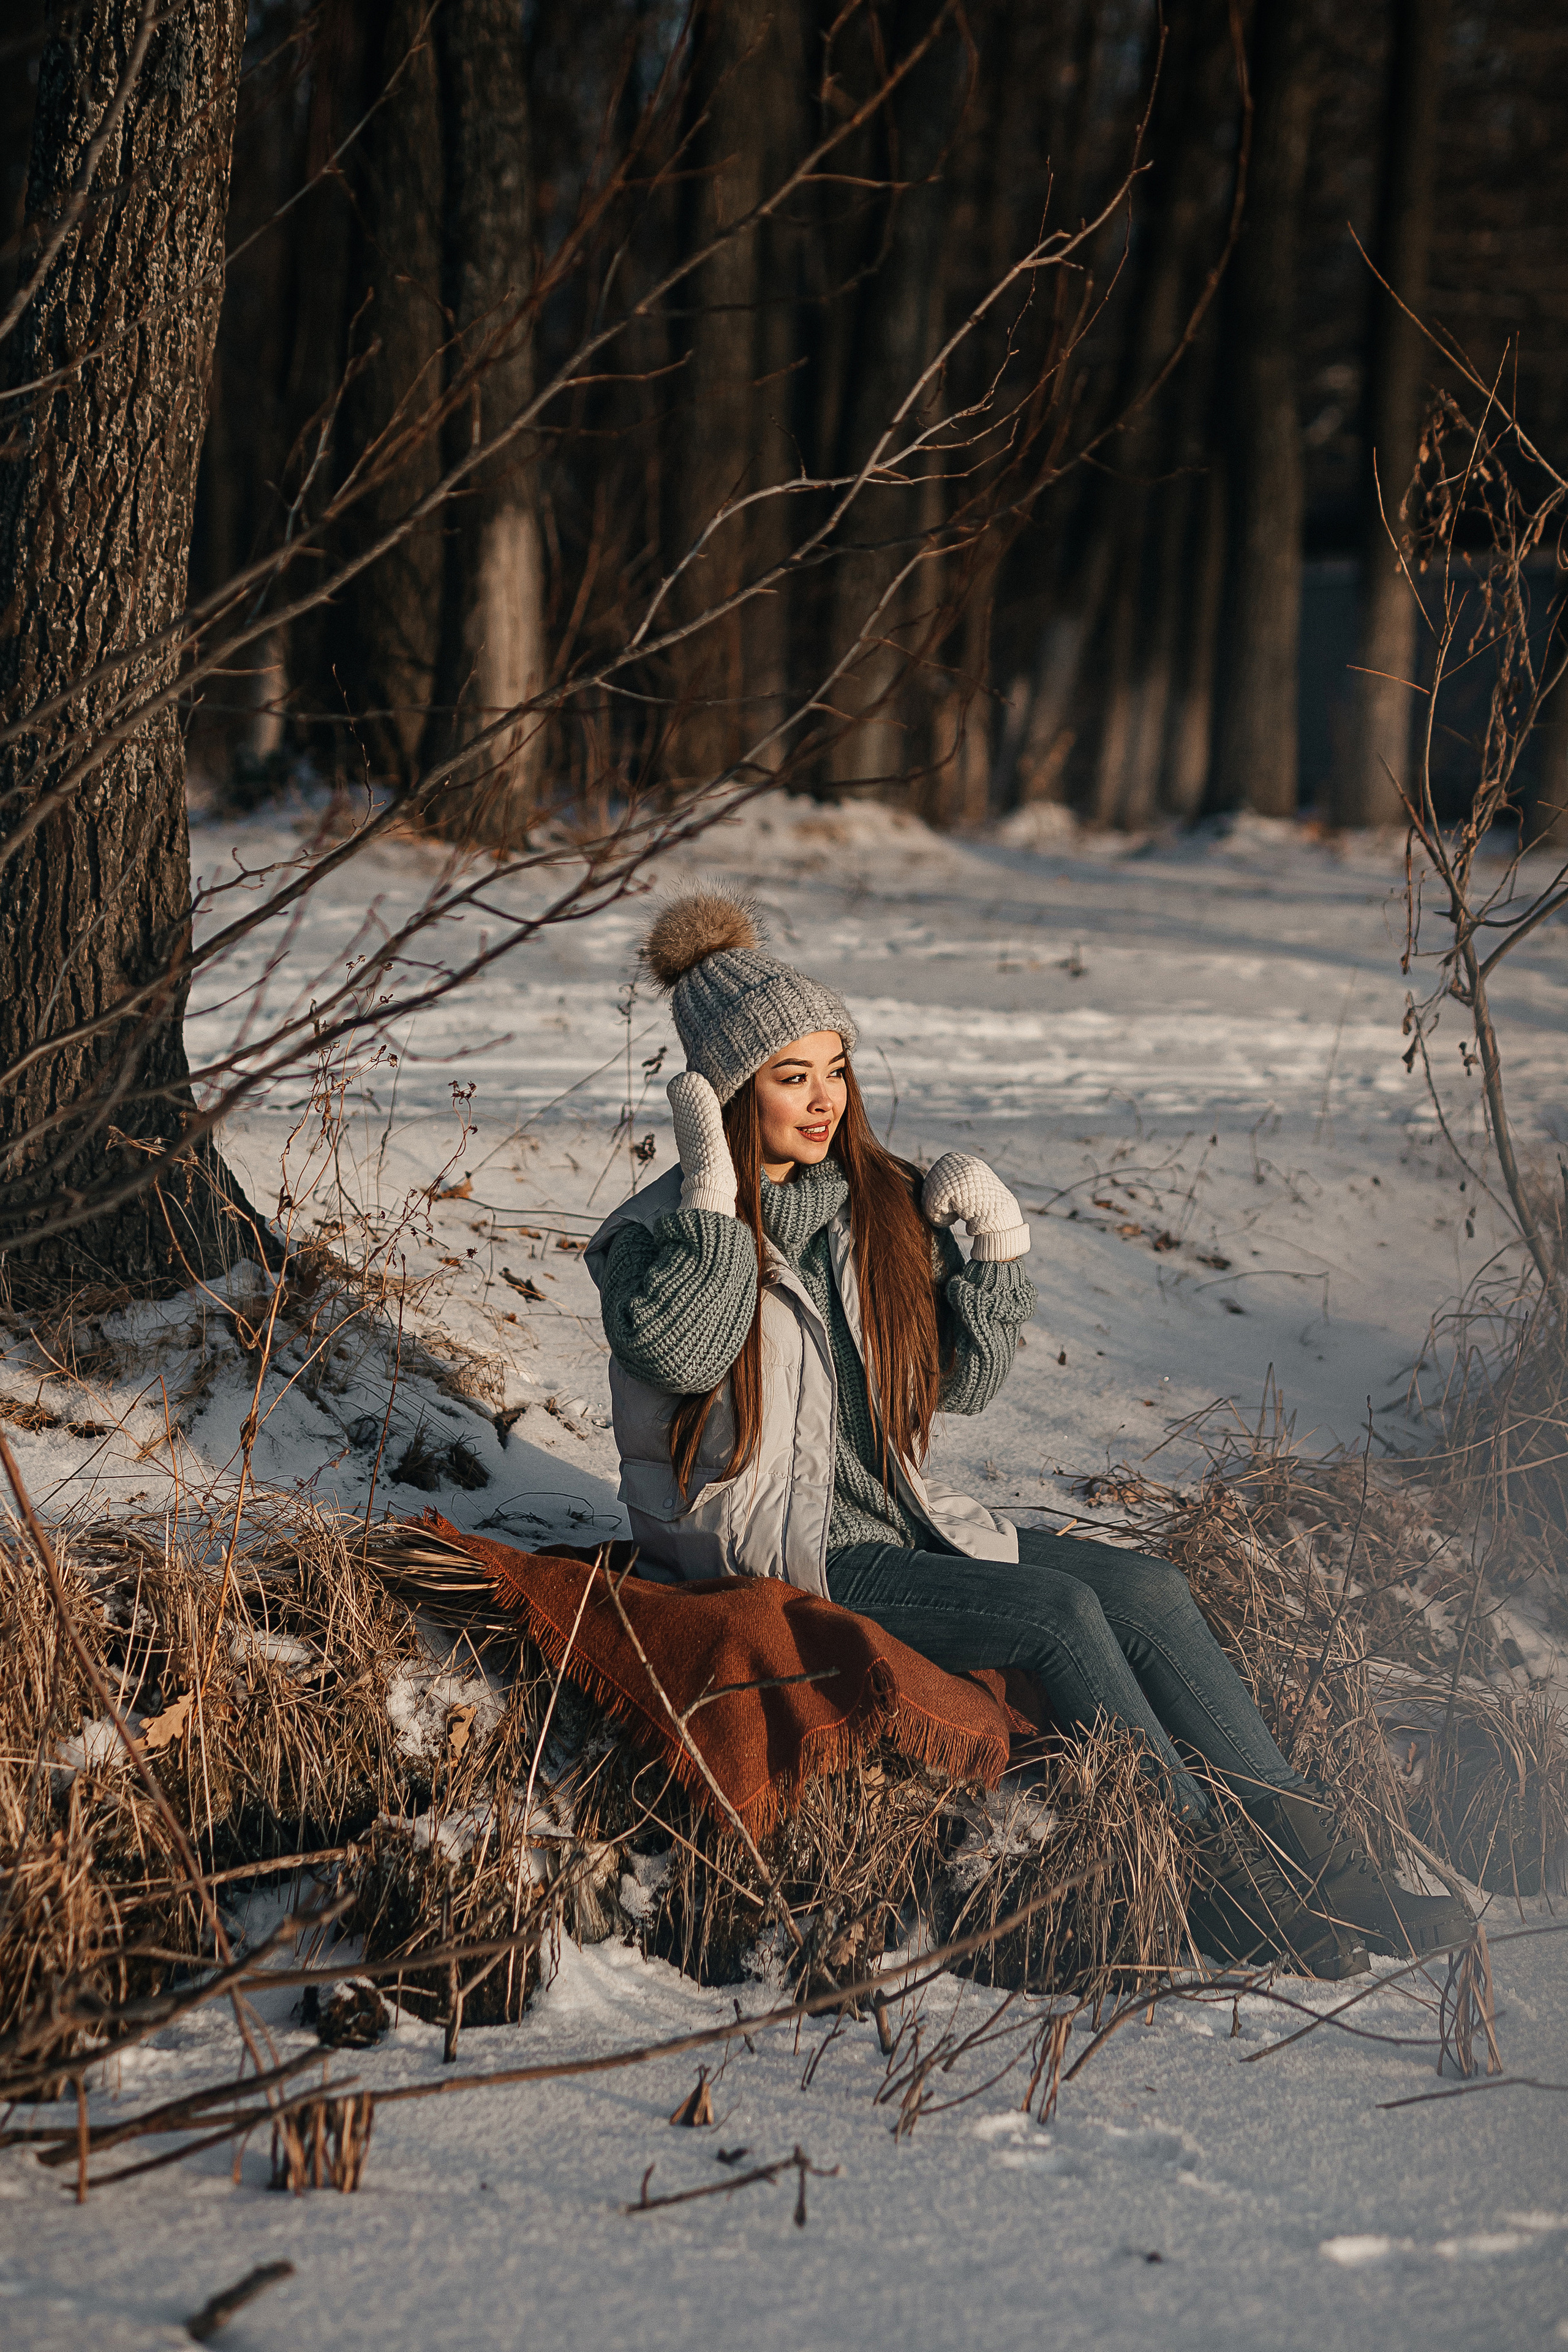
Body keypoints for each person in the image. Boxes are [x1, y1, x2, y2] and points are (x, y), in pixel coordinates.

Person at [585, 890, 1472, 1977]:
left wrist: (995, 1254)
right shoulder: (646, 1240)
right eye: (790, 1076)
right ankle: (1217, 1887)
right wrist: (713, 1201)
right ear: (724, 1094)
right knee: (1056, 1615)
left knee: (1147, 1590)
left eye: (836, 1069)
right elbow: (684, 1349)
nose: (825, 1101)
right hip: (768, 1548)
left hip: (896, 1524)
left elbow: (955, 1389)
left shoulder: (871, 1204)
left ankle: (1329, 1876)